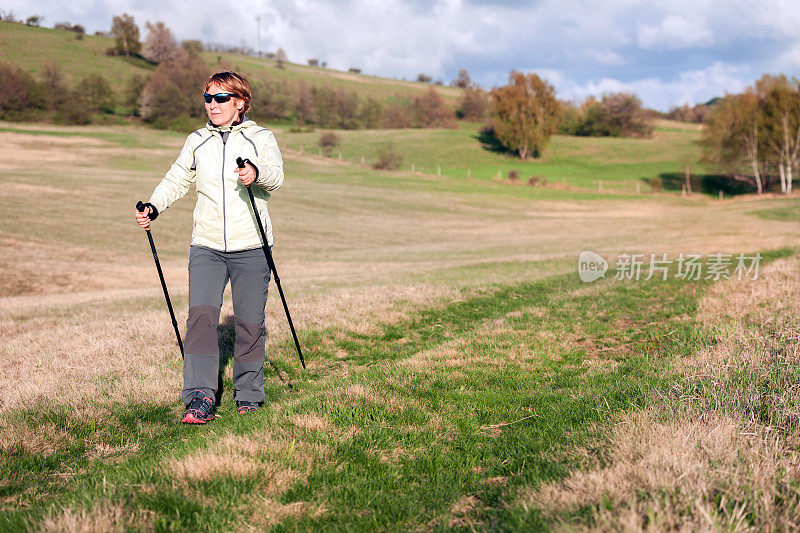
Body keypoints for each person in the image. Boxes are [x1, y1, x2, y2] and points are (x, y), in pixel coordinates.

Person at [134, 71, 284, 424]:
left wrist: (255, 173)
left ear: (240, 102)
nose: (212, 105)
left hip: (252, 245)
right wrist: (153, 206)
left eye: (220, 98)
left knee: (249, 322)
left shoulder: (261, 137)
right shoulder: (197, 140)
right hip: (207, 246)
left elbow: (276, 175)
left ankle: (248, 394)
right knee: (201, 319)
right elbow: (177, 177)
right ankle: (200, 396)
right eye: (207, 98)